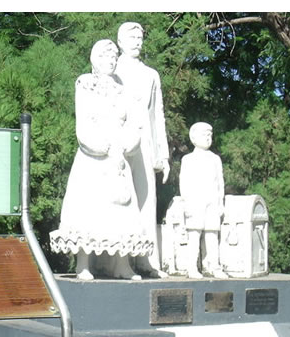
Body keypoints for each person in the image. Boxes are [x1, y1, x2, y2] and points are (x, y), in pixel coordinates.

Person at [50, 39, 152, 281]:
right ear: (96, 59)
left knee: (123, 210)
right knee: (89, 209)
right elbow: (83, 123)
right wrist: (100, 146)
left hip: (118, 158)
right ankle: (83, 263)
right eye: (107, 56)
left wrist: (128, 143)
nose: (112, 61)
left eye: (114, 57)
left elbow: (132, 123)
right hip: (93, 158)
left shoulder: (122, 87)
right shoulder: (85, 84)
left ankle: (122, 264)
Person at [115, 22, 169, 278]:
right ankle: (119, 259)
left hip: (145, 141)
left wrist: (164, 154)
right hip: (120, 140)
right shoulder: (111, 69)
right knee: (122, 198)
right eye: (131, 37)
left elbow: (157, 115)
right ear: (120, 41)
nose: (137, 41)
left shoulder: (151, 74)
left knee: (147, 200)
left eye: (140, 37)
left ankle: (147, 259)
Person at [179, 122, 228, 279]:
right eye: (204, 135)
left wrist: (220, 203)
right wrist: (186, 203)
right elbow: (184, 183)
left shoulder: (215, 159)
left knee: (212, 234)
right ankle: (191, 267)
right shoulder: (188, 159)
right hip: (195, 202)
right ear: (193, 138)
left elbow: (220, 183)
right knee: (194, 234)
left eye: (210, 135)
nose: (208, 138)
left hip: (212, 201)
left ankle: (214, 266)